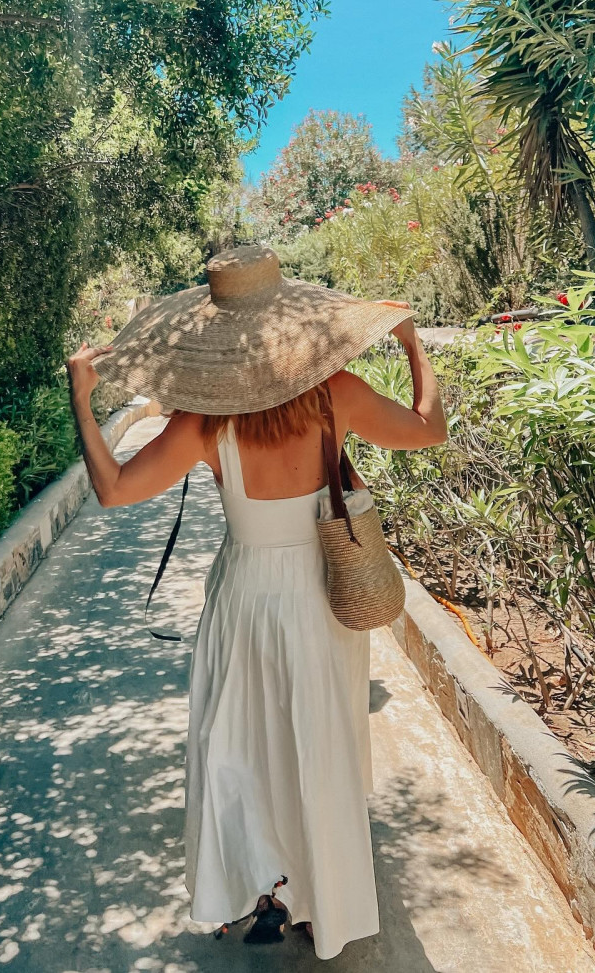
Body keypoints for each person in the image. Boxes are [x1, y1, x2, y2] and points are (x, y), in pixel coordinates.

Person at [66, 245, 447, 960]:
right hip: (320, 595)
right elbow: (430, 428)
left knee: (239, 744)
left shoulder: (205, 425)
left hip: (242, 595)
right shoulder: (340, 391)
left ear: (218, 340)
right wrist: (412, 343)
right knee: (315, 740)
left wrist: (81, 400)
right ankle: (315, 901)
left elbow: (113, 487)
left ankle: (259, 885)